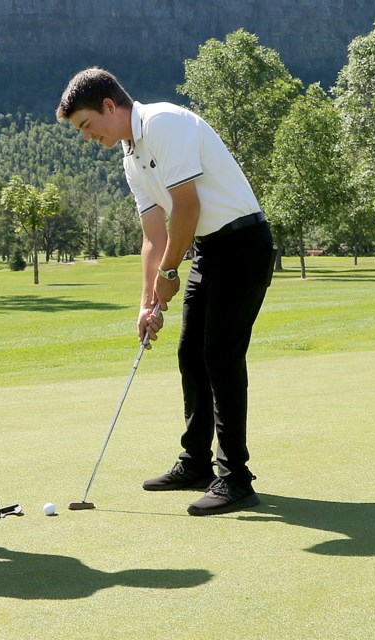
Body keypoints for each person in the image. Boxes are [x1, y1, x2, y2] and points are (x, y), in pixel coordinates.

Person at [57, 68, 275, 516]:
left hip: (244, 244)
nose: (86, 136)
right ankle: (196, 462)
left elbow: (188, 207)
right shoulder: (129, 156)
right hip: (210, 250)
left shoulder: (163, 123)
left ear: (110, 107)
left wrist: (170, 272)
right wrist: (147, 302)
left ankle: (235, 477)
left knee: (220, 356)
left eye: (86, 125)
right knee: (190, 355)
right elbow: (153, 237)